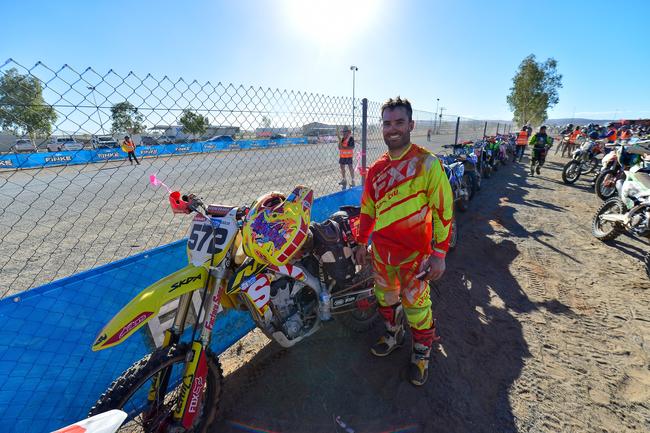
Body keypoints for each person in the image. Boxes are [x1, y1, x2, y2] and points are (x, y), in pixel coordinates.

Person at [354, 97, 453, 386]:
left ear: (411, 125)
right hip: (382, 255)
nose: (392, 129)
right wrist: (361, 242)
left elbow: (444, 211)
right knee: (385, 299)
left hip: (416, 258)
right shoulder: (375, 169)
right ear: (381, 128)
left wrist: (440, 253)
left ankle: (421, 353)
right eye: (387, 123)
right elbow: (368, 209)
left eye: (399, 122)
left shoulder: (428, 164)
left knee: (417, 307)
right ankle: (393, 334)